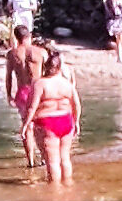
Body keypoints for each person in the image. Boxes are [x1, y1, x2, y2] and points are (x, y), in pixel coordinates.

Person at [21, 52, 82, 185]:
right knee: (65, 159)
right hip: (66, 121)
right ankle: (68, 187)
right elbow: (76, 104)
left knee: (52, 162)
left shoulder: (40, 84)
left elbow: (32, 107)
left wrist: (25, 125)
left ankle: (55, 193)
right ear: (60, 68)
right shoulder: (67, 84)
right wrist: (76, 121)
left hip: (47, 123)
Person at [6, 26, 47, 167]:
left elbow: (9, 77)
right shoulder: (40, 52)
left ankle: (30, 161)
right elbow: (48, 73)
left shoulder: (12, 54)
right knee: (41, 126)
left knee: (27, 127)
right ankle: (44, 157)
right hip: (38, 90)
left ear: (16, 38)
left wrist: (9, 95)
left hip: (22, 92)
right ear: (29, 36)